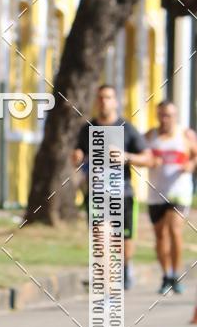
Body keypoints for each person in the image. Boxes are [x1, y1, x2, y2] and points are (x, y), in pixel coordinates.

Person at [72, 84, 151, 290]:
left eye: (108, 97)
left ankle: (124, 268)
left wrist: (126, 157)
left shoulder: (126, 128)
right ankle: (106, 282)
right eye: (100, 98)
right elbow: (79, 154)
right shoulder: (88, 129)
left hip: (122, 193)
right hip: (96, 194)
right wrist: (78, 157)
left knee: (121, 240)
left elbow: (148, 158)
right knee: (100, 235)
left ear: (115, 102)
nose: (103, 102)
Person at [145, 100, 197, 294]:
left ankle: (176, 274)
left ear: (175, 116)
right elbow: (142, 155)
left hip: (179, 192)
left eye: (168, 115)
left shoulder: (185, 135)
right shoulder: (150, 135)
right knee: (160, 236)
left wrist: (191, 166)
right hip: (155, 193)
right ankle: (166, 274)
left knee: (174, 230)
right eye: (161, 114)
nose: (164, 118)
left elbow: (195, 156)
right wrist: (150, 161)